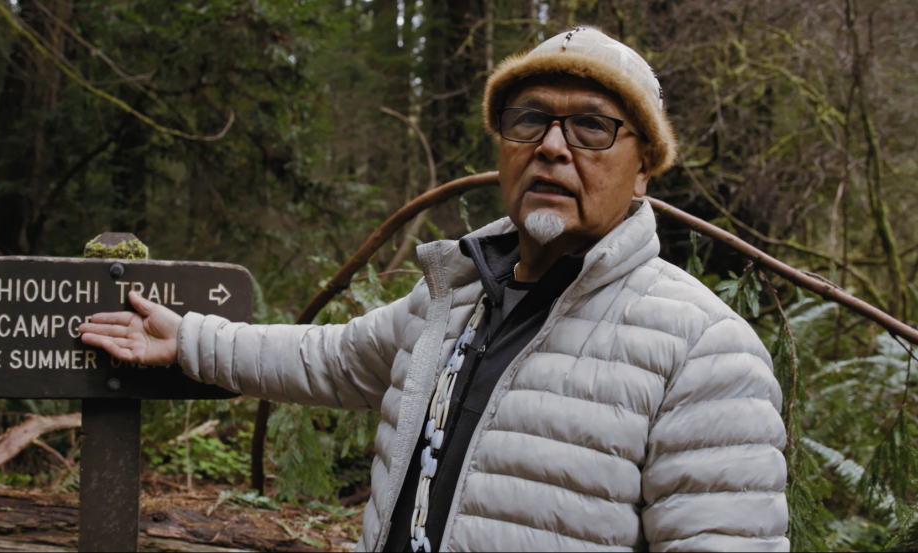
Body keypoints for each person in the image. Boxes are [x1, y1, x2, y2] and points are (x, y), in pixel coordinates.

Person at [80, 26, 789, 552]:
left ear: (643, 170)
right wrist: (187, 339)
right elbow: (333, 358)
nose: (551, 145)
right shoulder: (456, 296)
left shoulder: (704, 350)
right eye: (529, 118)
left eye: (593, 128)